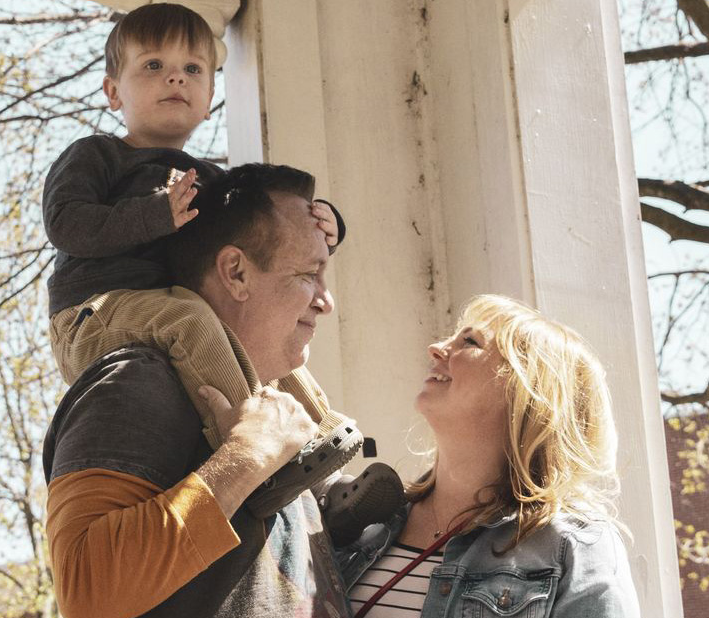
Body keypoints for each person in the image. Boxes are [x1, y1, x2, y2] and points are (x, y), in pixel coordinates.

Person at [42, 2, 359, 518]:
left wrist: (325, 223)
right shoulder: (96, 156)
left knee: (265, 340)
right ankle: (249, 448)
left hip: (170, 311)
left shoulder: (209, 181)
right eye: (153, 66)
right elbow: (67, 225)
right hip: (92, 314)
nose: (175, 78)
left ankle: (327, 459)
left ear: (211, 95)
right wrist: (154, 217)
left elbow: (260, 234)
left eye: (193, 69)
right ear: (112, 91)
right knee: (192, 317)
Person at [44, 163, 376, 618]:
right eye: (308, 275)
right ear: (235, 272)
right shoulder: (140, 381)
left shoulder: (276, 415)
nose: (325, 299)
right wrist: (244, 459)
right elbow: (87, 592)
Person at [338, 294, 641, 618]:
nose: (436, 348)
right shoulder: (366, 521)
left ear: (526, 393)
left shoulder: (574, 545)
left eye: (469, 341)